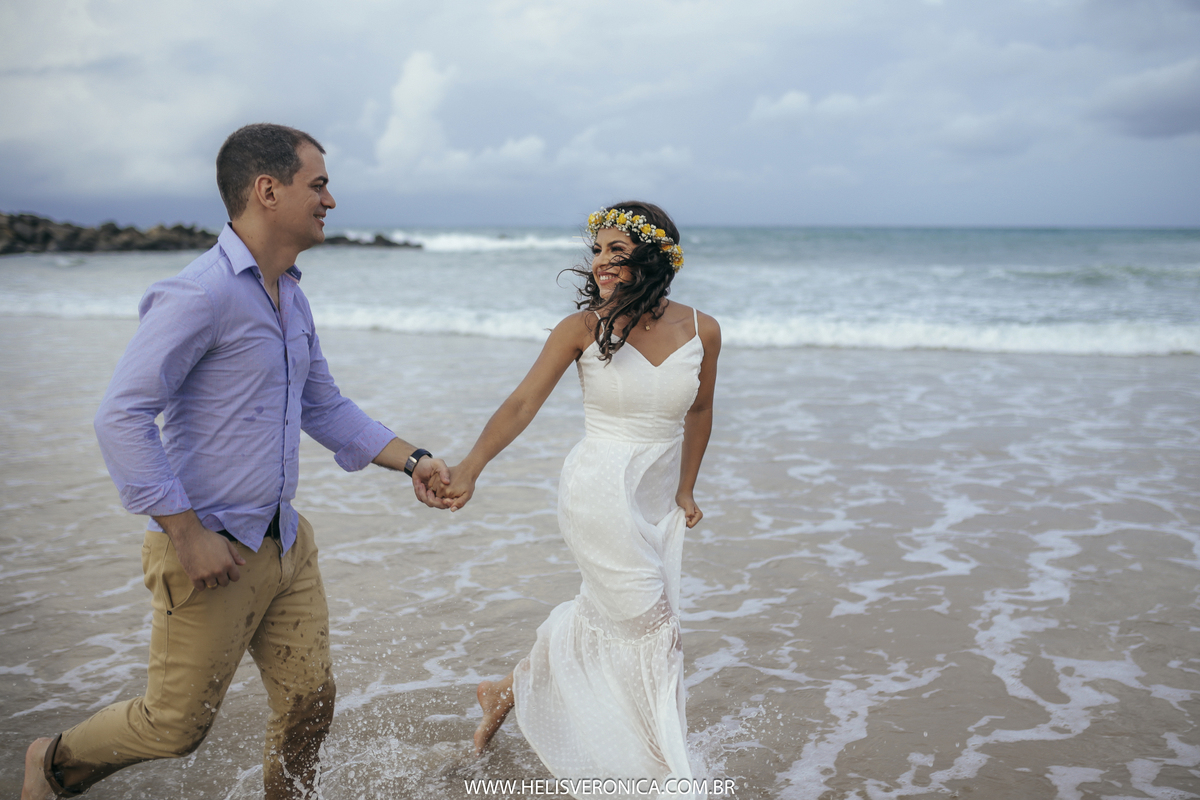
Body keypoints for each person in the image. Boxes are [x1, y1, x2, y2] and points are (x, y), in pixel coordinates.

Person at [21, 123, 451, 800]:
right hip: (210, 550)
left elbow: (325, 405)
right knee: (174, 727)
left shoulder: (291, 294)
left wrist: (414, 459)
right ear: (268, 190)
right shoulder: (200, 294)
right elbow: (120, 416)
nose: (331, 200)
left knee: (311, 701)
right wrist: (186, 535)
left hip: (285, 541)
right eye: (319, 184)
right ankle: (51, 762)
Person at [438, 202, 721, 798]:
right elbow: (520, 406)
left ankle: (508, 689)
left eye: (617, 250)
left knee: (607, 615)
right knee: (657, 630)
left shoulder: (703, 329)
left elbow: (699, 411)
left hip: (654, 499)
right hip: (597, 491)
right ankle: (662, 775)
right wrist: (470, 468)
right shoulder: (581, 330)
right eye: (597, 250)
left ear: (655, 256)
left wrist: (687, 487)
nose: (601, 262)